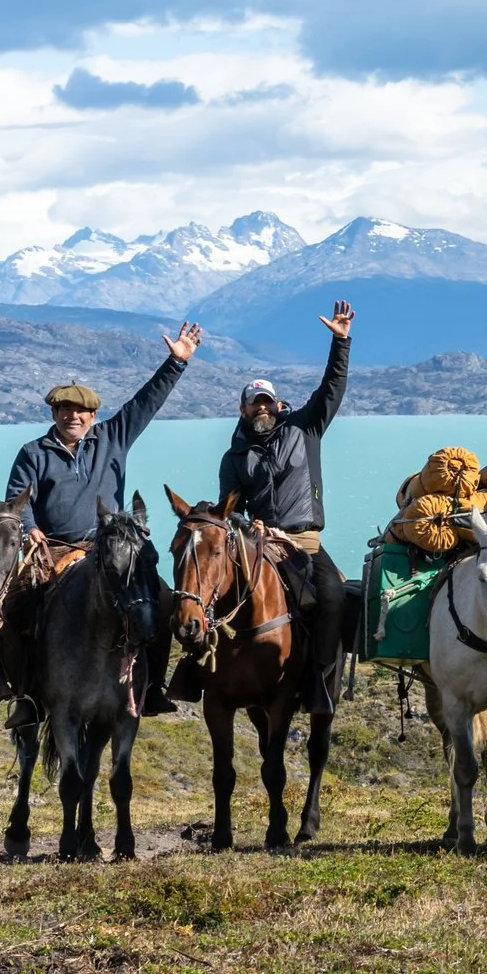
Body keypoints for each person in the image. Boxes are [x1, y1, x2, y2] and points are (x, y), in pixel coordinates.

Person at [2, 322, 203, 719]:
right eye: (63, 409)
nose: (71, 416)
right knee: (18, 607)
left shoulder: (114, 436)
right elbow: (17, 500)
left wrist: (175, 363)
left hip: (112, 549)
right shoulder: (33, 452)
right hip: (55, 548)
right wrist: (30, 527)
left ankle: (154, 686)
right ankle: (26, 696)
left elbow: (147, 403)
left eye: (79, 410)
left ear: (93, 415)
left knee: (161, 600)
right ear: (54, 413)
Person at [203, 300, 352, 713]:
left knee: (334, 596)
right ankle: (202, 673)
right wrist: (249, 528)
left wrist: (340, 342)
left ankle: (320, 678)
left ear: (278, 403)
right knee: (209, 593)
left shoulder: (305, 429)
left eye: (268, 401)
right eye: (255, 402)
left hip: (304, 540)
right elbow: (228, 509)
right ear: (243, 409)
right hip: (260, 543)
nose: (262, 408)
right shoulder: (234, 457)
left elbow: (331, 390)